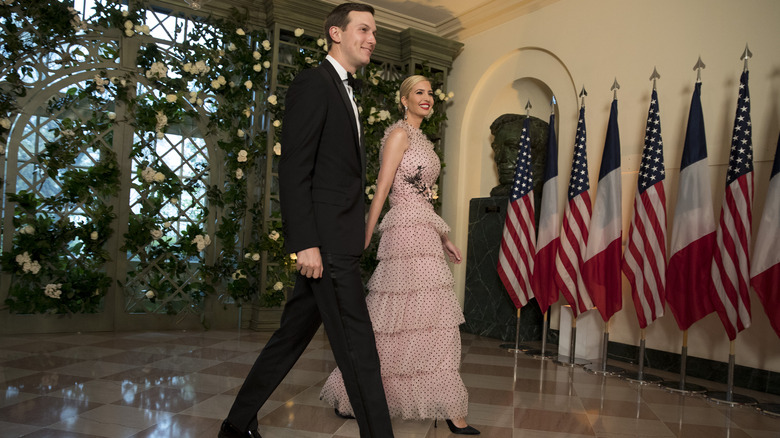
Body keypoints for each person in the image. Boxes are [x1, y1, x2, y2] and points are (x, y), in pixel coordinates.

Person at [219, 3, 394, 438]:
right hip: (327, 246)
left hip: (338, 240)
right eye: (364, 29)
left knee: (289, 340)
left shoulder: (349, 91)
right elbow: (294, 169)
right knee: (360, 350)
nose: (372, 38)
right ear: (335, 33)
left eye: (374, 31)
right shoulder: (314, 83)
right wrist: (306, 243)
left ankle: (235, 425)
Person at [320, 75, 480, 435]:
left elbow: (425, 197)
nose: (427, 99)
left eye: (429, 94)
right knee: (393, 320)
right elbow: (382, 188)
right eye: (419, 93)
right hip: (403, 234)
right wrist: (363, 235)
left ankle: (449, 406)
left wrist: (443, 236)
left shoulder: (424, 139)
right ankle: (355, 393)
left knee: (433, 317)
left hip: (425, 232)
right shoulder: (399, 135)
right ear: (403, 100)